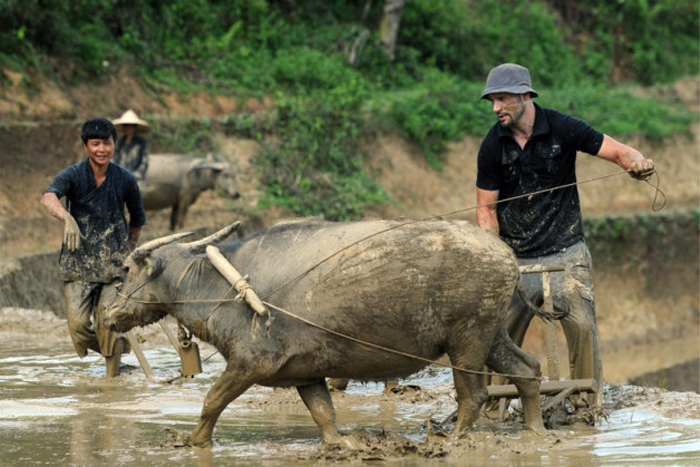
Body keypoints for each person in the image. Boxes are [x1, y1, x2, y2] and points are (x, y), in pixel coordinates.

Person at [475, 63, 655, 407]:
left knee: (582, 326)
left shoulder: (561, 127)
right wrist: (497, 258)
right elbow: (486, 210)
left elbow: (617, 151)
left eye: (501, 99)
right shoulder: (492, 145)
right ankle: (491, 405)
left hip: (566, 251)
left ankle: (585, 407)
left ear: (524, 96)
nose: (496, 108)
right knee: (496, 335)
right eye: (492, 101)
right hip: (516, 256)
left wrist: (637, 162)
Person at [40, 117, 147, 376]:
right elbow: (48, 197)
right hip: (78, 264)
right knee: (77, 326)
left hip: (114, 264)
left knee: (107, 322)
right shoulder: (74, 175)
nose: (101, 149)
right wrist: (65, 217)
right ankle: (118, 350)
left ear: (113, 145)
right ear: (86, 146)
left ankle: (111, 382)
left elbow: (137, 219)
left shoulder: (125, 179)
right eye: (95, 143)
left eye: (106, 143)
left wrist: (130, 253)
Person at [112, 109, 150, 181]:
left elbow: (144, 161)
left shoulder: (141, 143)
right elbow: (115, 159)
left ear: (134, 127)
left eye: (130, 126)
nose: (128, 128)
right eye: (126, 126)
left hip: (136, 179)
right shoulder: (119, 143)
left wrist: (137, 174)